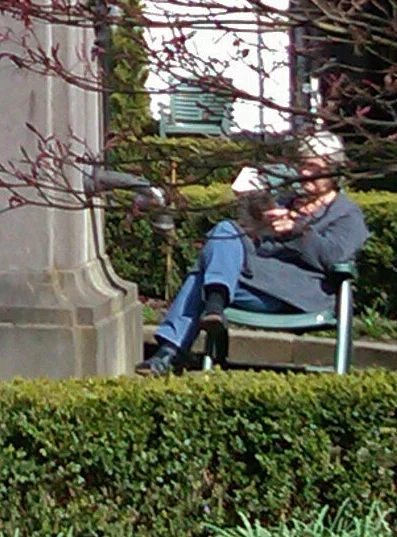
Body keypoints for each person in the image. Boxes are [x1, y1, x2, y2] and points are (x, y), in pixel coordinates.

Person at [136, 132, 367, 375]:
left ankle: (171, 350)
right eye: (302, 165)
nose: (305, 173)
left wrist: (298, 230)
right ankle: (210, 308)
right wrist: (254, 210)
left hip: (296, 293)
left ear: (333, 171)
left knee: (203, 275)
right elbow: (254, 241)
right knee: (225, 230)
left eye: (313, 167)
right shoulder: (288, 201)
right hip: (256, 280)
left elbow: (334, 258)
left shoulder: (347, 214)